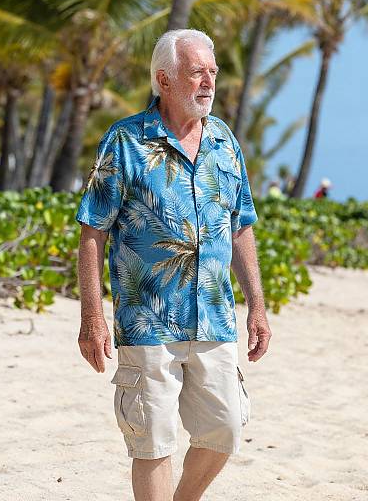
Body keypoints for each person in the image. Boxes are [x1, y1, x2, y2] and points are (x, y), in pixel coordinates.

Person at [75, 29, 272, 501]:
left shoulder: (224, 141)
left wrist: (258, 307)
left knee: (225, 428)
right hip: (146, 322)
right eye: (196, 72)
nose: (208, 82)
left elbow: (242, 225)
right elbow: (92, 230)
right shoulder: (124, 141)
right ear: (164, 78)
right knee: (152, 442)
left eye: (213, 72)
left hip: (215, 316)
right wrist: (91, 317)